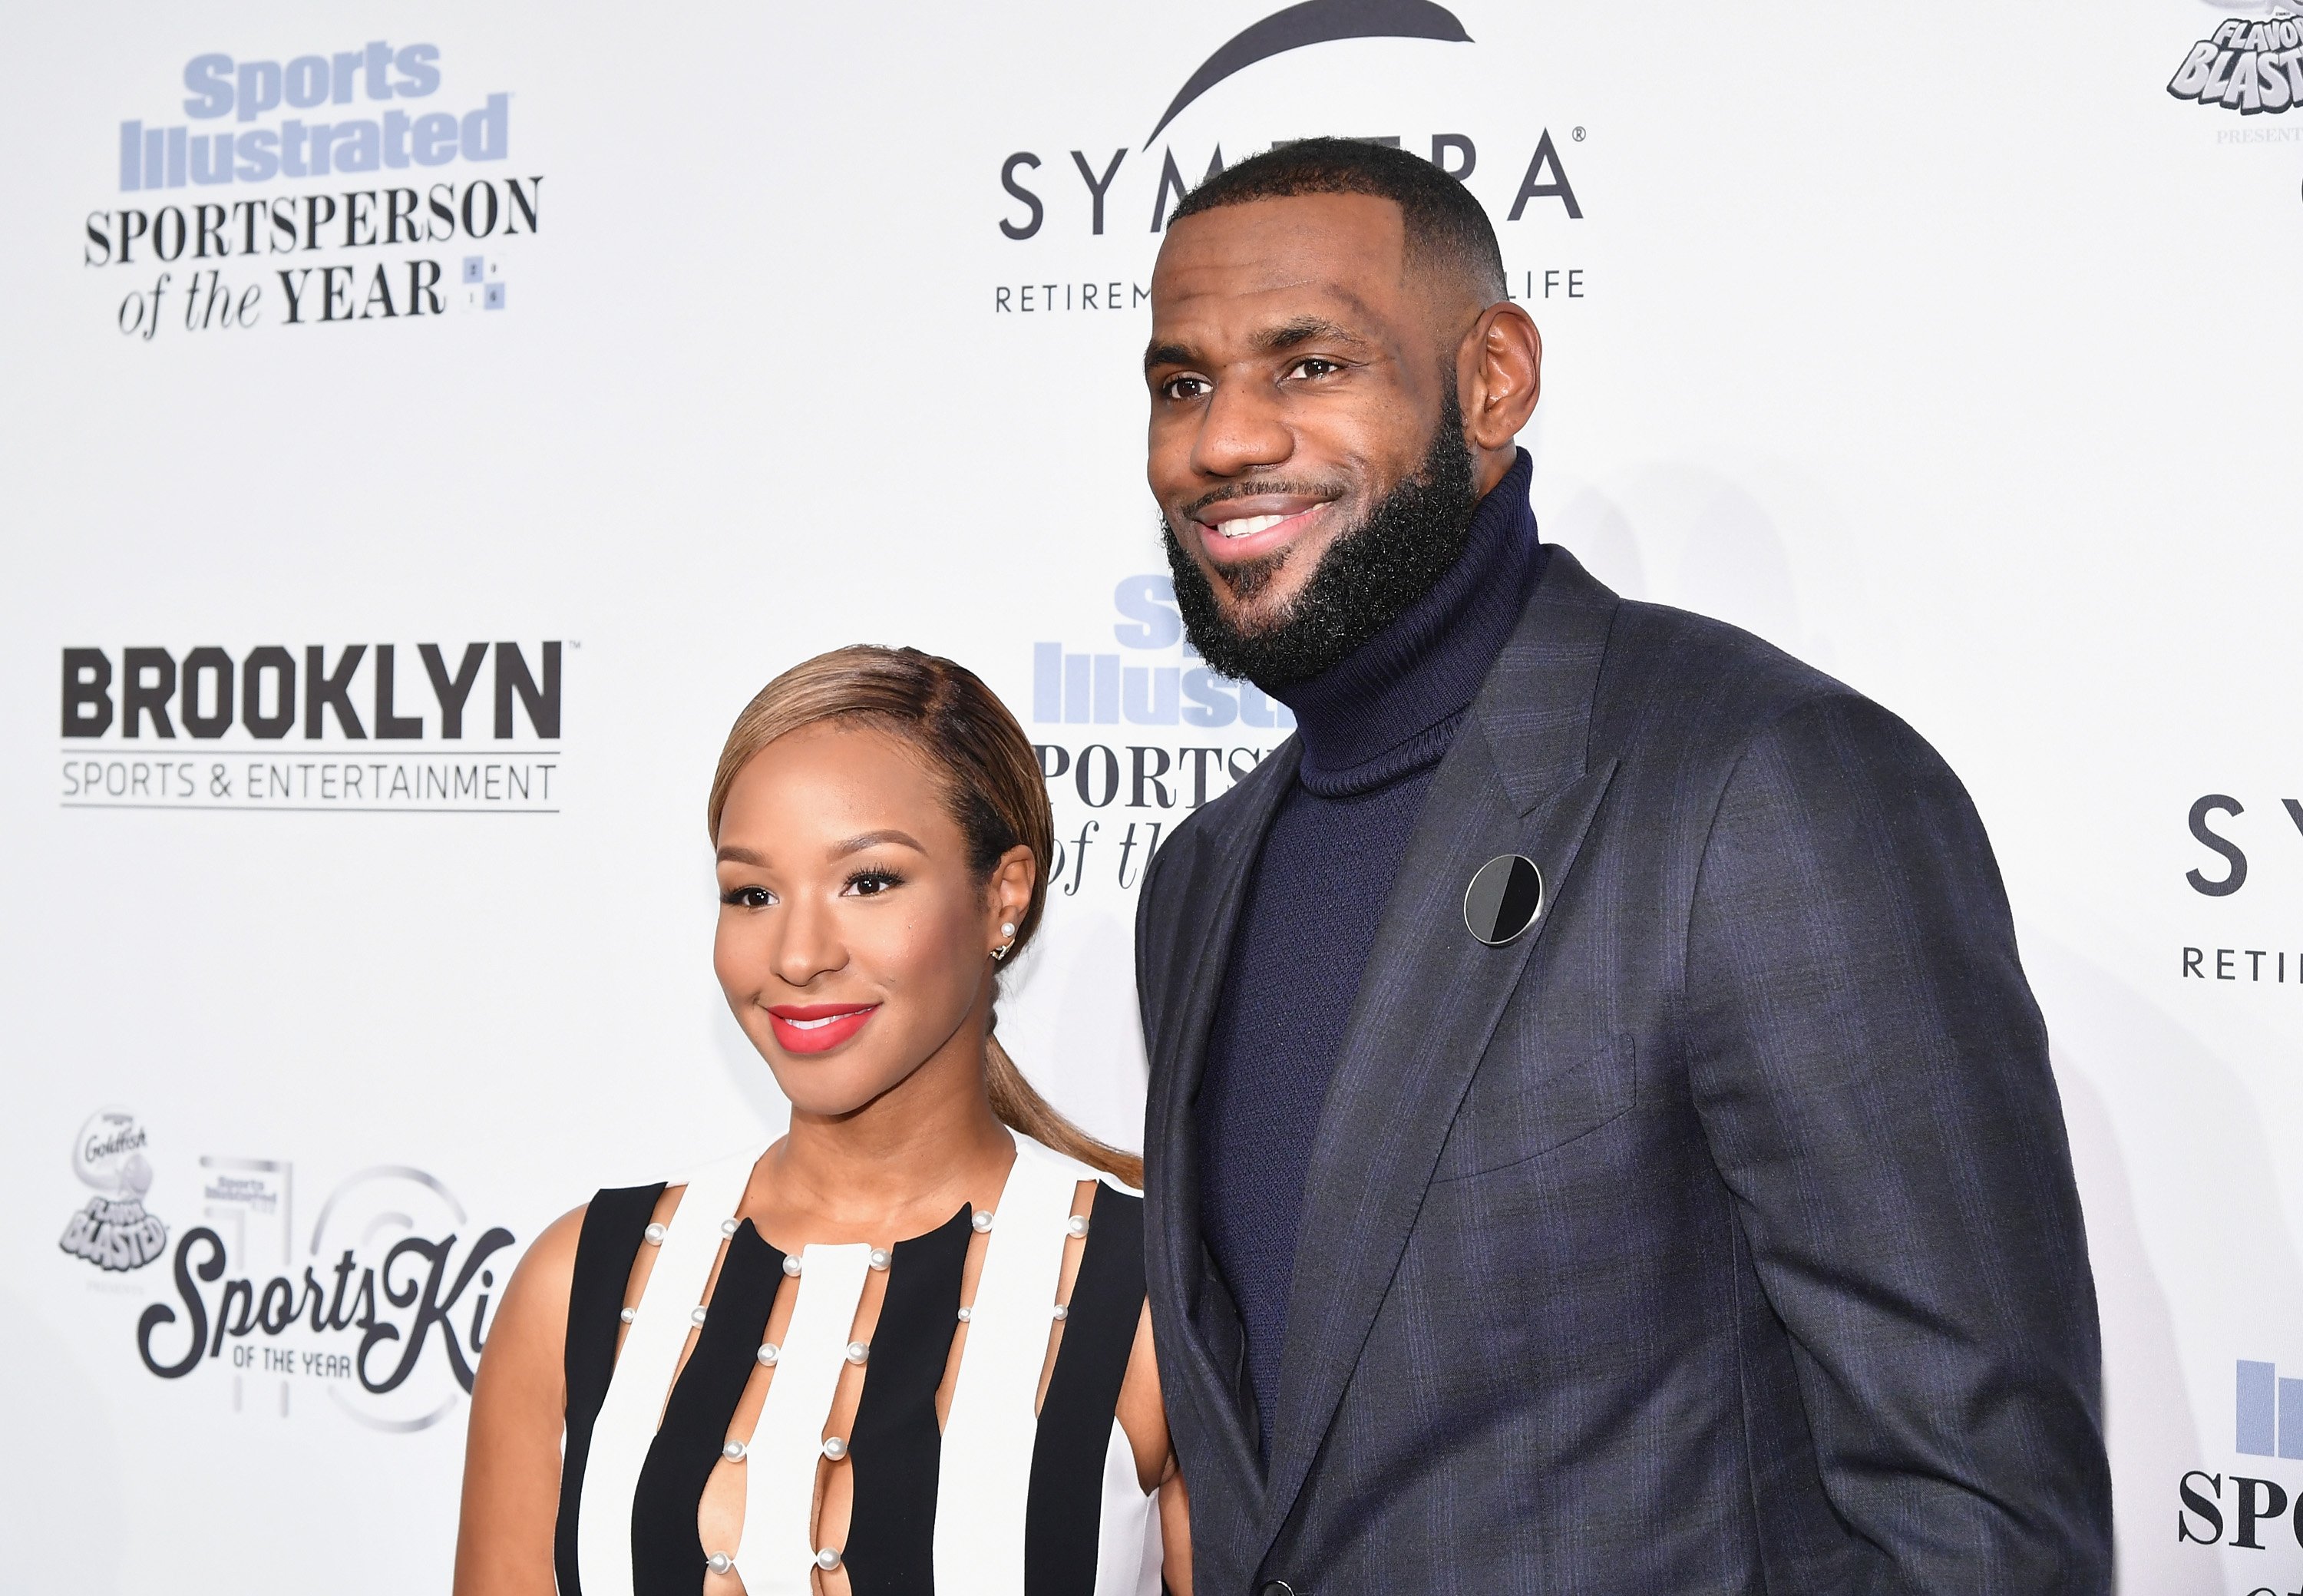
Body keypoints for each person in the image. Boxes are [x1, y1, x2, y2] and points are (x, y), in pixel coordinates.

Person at [1131, 137, 2110, 1592]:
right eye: (1182, 384)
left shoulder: (1762, 785)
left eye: (1310, 363)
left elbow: (1981, 1521)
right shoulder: (1200, 877)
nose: (1223, 441)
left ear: (1493, 379)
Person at [454, 646, 1187, 1596]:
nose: (797, 955)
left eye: (869, 882)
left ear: (1004, 894)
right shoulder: (578, 1282)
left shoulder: (1155, 1300)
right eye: (751, 894)